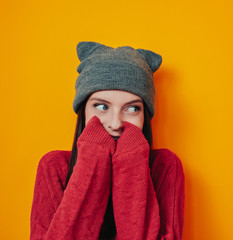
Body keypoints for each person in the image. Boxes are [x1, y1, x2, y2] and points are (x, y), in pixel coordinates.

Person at [30, 41, 185, 240]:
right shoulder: (54, 166)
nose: (115, 123)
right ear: (83, 111)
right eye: (102, 107)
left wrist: (131, 163)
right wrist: (92, 161)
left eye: (132, 108)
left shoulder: (165, 166)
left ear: (144, 115)